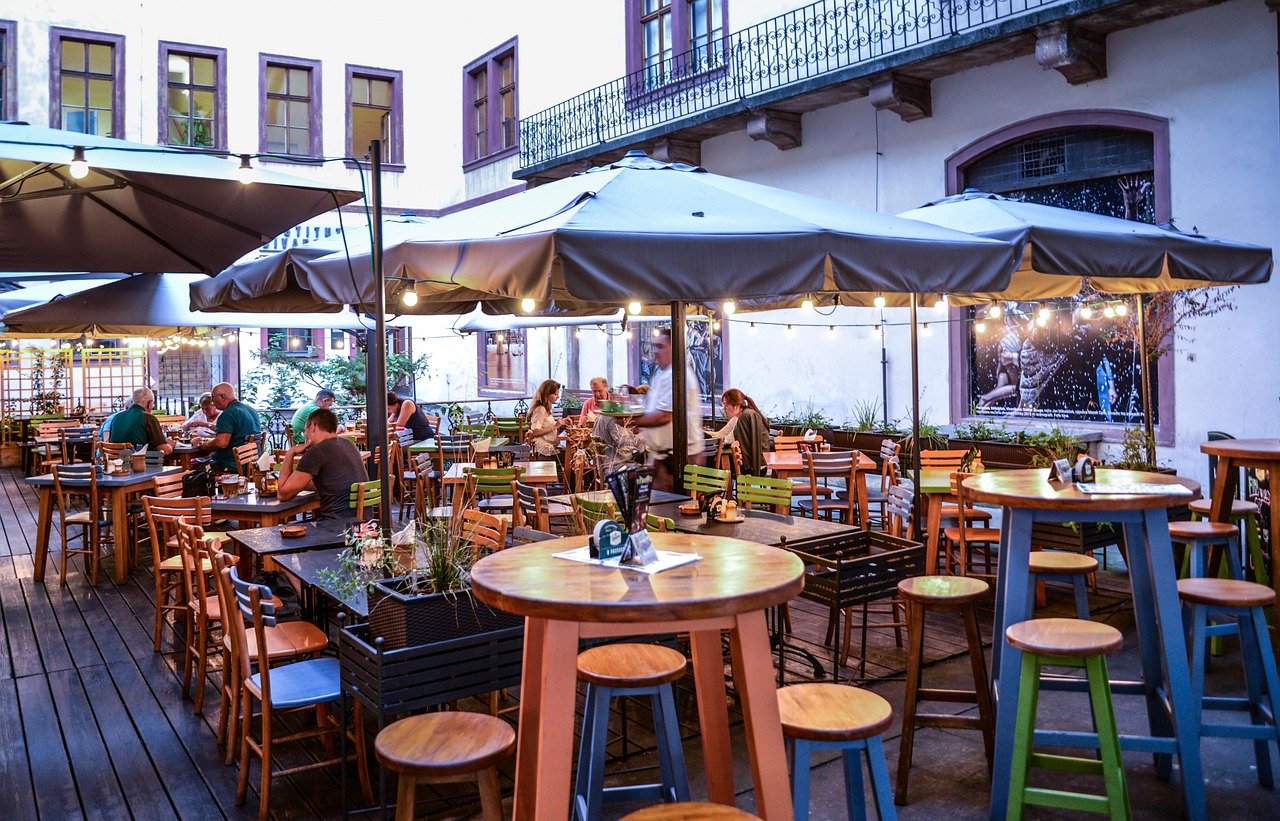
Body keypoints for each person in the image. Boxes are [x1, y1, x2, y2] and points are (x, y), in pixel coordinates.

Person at [633, 328, 705, 491]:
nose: (655, 351)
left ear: (675, 349)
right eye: (654, 346)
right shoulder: (665, 374)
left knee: (668, 511)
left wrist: (631, 419)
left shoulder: (677, 375)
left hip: (679, 459)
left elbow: (665, 416)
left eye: (660, 346)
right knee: (656, 507)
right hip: (663, 455)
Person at [278, 408, 369, 524]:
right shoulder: (349, 444)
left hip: (336, 528)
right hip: (363, 525)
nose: (305, 435)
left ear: (313, 426)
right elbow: (330, 483)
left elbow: (283, 495)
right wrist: (297, 484)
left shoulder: (317, 452)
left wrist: (290, 453)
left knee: (285, 530)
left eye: (305, 430)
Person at [198, 382, 261, 472]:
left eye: (213, 397)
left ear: (222, 397)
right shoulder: (250, 409)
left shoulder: (227, 414)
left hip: (232, 465)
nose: (212, 402)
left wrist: (202, 445)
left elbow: (221, 443)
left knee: (196, 470)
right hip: (253, 463)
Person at [717, 388, 771, 476]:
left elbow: (728, 440)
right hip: (756, 465)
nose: (724, 409)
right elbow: (723, 435)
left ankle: (724, 489)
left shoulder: (744, 417)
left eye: (726, 405)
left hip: (753, 467)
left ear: (736, 406)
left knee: (715, 464)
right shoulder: (743, 415)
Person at [107, 387, 174, 455]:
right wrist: (170, 444)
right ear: (150, 403)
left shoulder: (116, 417)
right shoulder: (149, 418)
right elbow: (164, 450)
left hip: (116, 463)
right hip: (141, 463)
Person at [527, 379, 568, 459]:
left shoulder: (546, 408)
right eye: (556, 394)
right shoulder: (540, 409)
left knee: (573, 453)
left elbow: (546, 424)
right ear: (547, 394)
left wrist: (563, 421)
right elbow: (535, 432)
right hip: (544, 452)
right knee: (572, 457)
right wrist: (555, 427)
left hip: (551, 447)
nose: (558, 396)